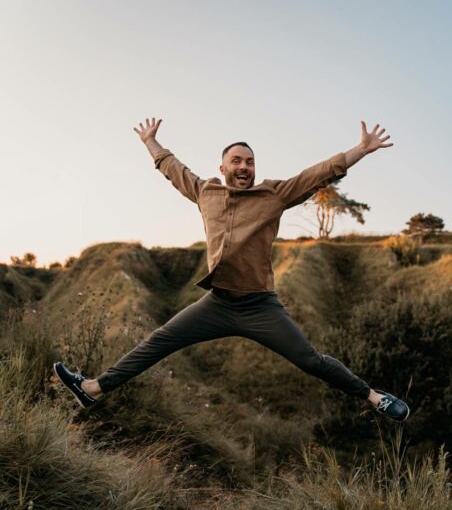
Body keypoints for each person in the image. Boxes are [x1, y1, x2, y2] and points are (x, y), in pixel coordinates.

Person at [54, 118, 409, 422]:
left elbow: (316, 174)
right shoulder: (205, 191)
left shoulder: (274, 195)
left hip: (260, 306)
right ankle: (92, 389)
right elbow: (173, 169)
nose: (244, 167)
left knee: (310, 360)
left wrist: (360, 150)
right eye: (236, 161)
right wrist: (151, 142)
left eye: (250, 162)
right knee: (158, 341)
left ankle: (374, 398)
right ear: (222, 167)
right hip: (218, 304)